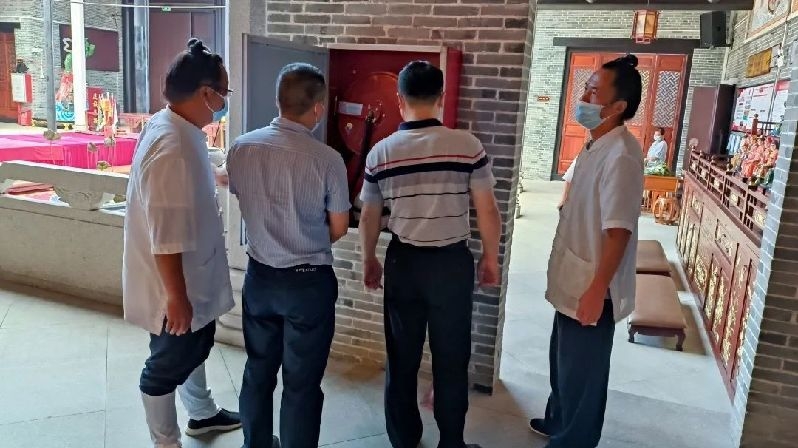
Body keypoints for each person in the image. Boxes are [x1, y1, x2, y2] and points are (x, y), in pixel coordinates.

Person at [359, 60, 502, 448]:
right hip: (451, 264)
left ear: (399, 98)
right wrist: (491, 258)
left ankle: (404, 439)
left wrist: (369, 259)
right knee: (452, 357)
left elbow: (370, 215)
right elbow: (488, 209)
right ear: (441, 97)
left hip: (403, 262)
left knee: (401, 357)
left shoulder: (381, 152)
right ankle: (451, 442)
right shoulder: (467, 146)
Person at [122, 38, 239, 448]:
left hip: (190, 273)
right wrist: (176, 297)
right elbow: (166, 234)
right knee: (168, 363)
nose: (224, 101)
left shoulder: (175, 125)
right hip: (173, 284)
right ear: (206, 94)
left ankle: (202, 413)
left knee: (195, 345)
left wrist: (220, 175)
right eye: (223, 92)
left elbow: (189, 180)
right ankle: (165, 441)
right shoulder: (172, 147)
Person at [226, 63, 350, 448]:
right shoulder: (327, 159)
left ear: (279, 100)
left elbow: (243, 197)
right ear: (318, 108)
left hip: (260, 277)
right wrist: (305, 235)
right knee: (302, 383)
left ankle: (256, 444)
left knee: (258, 371)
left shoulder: (242, 147)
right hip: (308, 283)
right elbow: (339, 227)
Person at [529, 54, 644, 448]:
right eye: (585, 88)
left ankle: (574, 439)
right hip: (574, 274)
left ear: (617, 107)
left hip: (594, 284)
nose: (583, 98)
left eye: (593, 92)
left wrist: (597, 289)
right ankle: (558, 420)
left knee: (583, 372)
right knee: (563, 361)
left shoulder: (621, 154)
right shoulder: (596, 145)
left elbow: (618, 231)